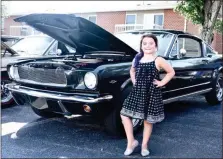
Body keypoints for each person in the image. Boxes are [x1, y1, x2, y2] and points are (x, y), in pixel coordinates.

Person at [120, 34, 175, 156]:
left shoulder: (158, 60)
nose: (147, 46)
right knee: (124, 114)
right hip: (137, 92)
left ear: (155, 45)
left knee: (147, 120)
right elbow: (132, 70)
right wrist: (134, 81)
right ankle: (131, 142)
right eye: (144, 43)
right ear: (141, 46)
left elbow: (171, 72)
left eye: (151, 43)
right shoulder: (138, 58)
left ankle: (144, 145)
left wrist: (161, 83)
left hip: (151, 93)